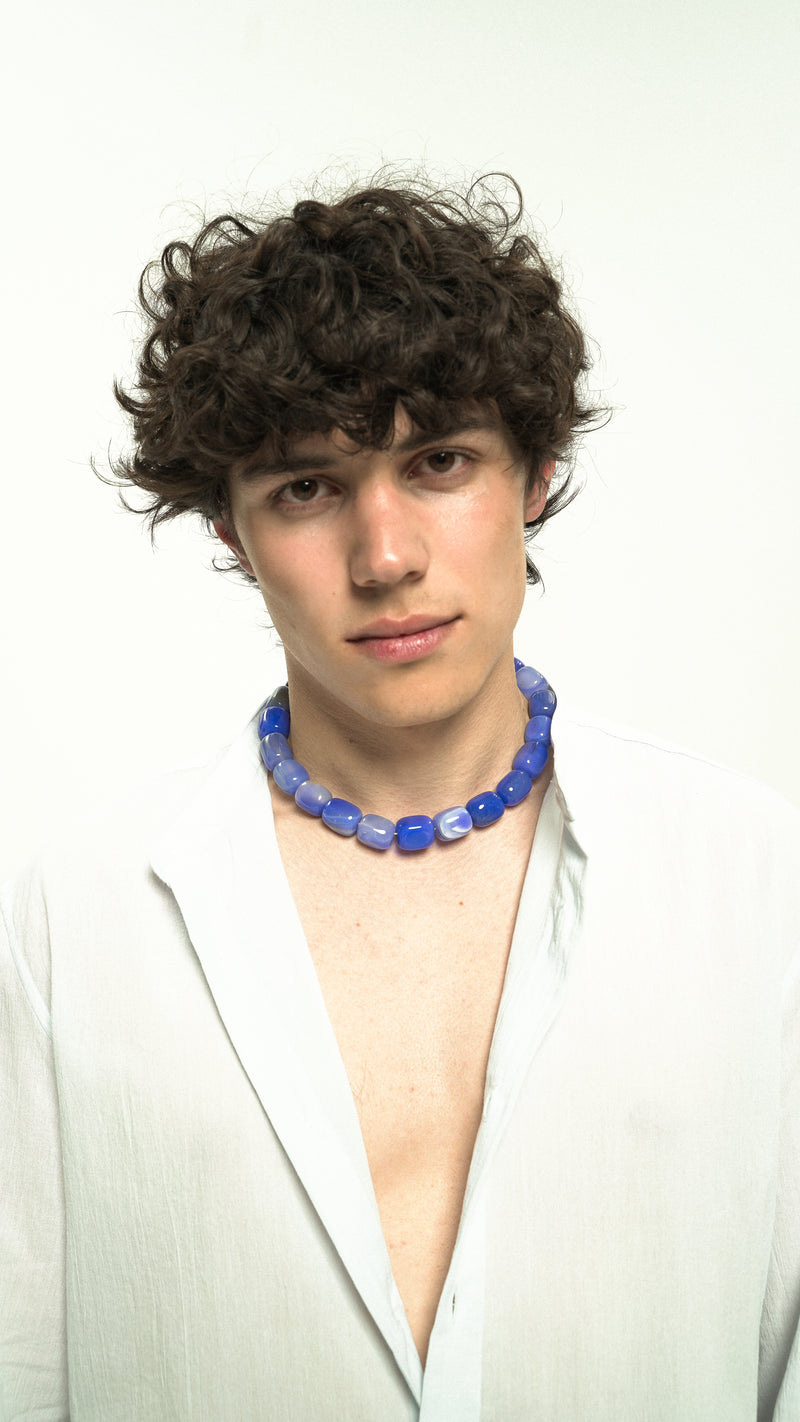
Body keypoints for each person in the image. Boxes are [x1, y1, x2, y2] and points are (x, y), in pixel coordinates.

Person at [1, 175, 798, 1422]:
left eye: (438, 462)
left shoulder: (752, 883)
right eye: (305, 488)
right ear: (231, 531)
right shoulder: (75, 917)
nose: (385, 558)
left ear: (534, 476)